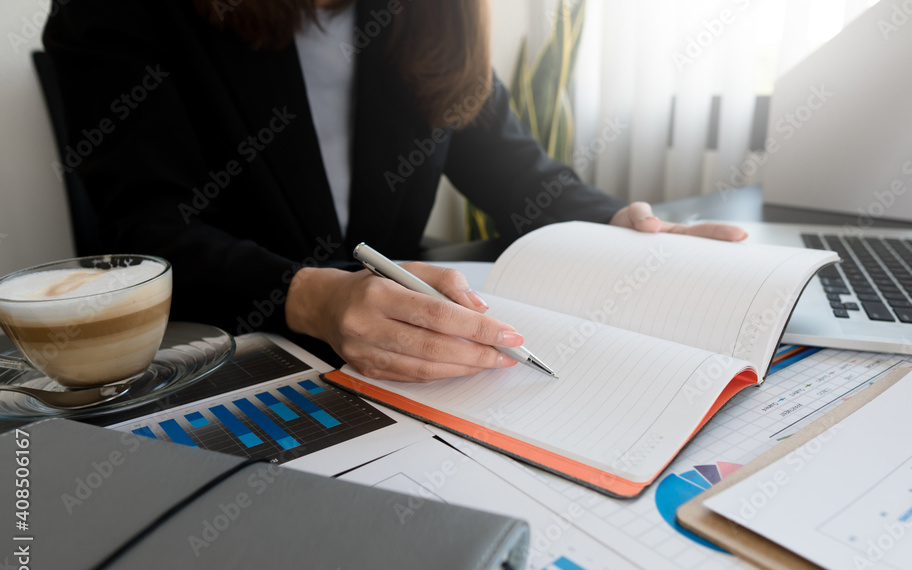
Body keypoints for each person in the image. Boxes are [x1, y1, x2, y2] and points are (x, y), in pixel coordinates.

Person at [43, 0, 747, 381]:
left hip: (407, 374)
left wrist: (620, 222)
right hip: (230, 365)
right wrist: (312, 295)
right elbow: (143, 233)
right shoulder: (117, 10)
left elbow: (519, 174)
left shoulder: (420, 18)